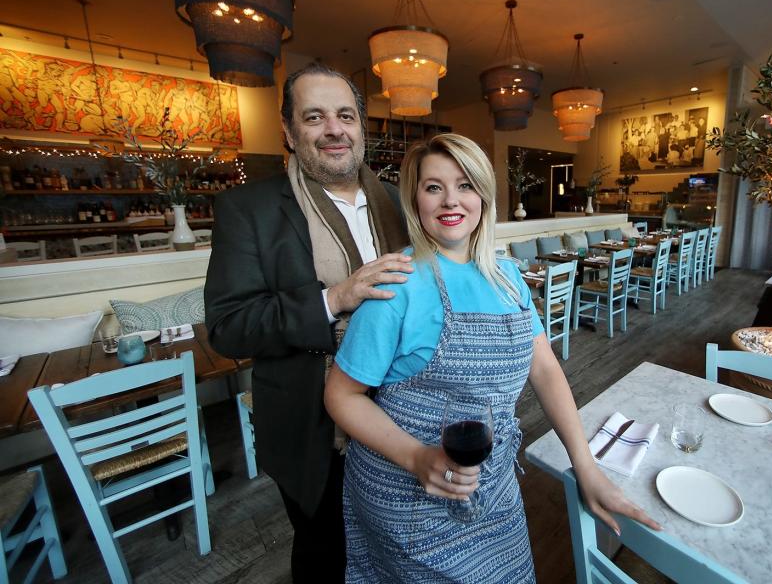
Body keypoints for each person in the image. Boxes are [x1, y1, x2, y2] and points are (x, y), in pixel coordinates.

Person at [325, 133, 660, 583]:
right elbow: (341, 395)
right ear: (414, 198)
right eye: (433, 187)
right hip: (407, 504)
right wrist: (417, 458)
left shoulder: (507, 276)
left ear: (484, 194)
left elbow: (544, 368)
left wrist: (586, 467)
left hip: (494, 485)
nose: (451, 200)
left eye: (465, 185)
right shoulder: (397, 284)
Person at [204, 63, 412, 583]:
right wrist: (335, 298)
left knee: (395, 541)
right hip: (314, 429)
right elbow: (228, 327)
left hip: (404, 411)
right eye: (314, 117)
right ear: (289, 132)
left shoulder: (397, 200)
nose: (333, 129)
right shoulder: (247, 208)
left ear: (362, 128)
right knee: (326, 553)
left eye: (345, 115)